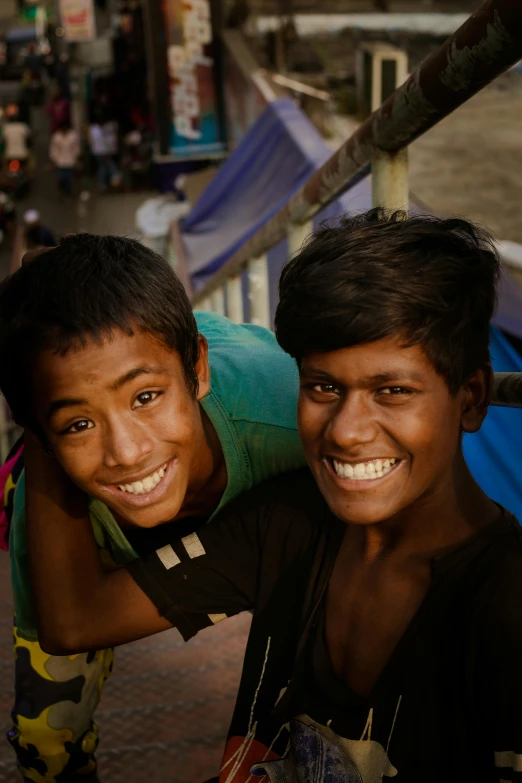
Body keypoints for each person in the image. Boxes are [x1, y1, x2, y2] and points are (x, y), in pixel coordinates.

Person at [8, 210, 522, 783]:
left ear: (472, 396)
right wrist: (36, 378)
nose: (348, 431)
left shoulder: (503, 611)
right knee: (46, 732)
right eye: (323, 386)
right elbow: (72, 621)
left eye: (393, 391)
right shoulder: (290, 523)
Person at [0, 234, 304, 781]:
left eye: (145, 399)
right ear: (42, 438)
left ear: (197, 371)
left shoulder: (290, 426)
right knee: (44, 737)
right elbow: (63, 630)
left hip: (216, 360)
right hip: (77, 477)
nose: (127, 452)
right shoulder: (44, 509)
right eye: (78, 424)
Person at [49, 118, 80, 197]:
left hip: (70, 161)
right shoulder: (56, 136)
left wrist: (77, 159)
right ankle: (62, 192)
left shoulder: (73, 136)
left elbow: (76, 149)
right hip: (60, 161)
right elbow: (53, 149)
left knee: (69, 179)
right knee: (61, 178)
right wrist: (53, 161)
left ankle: (68, 193)